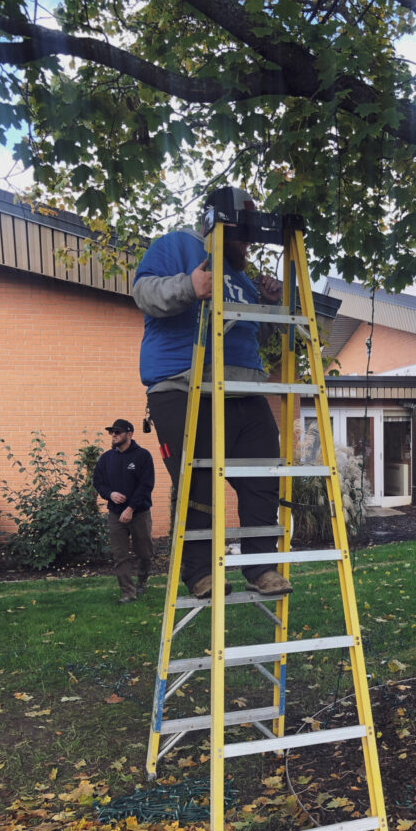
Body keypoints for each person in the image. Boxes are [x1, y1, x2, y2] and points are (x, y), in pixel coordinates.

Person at [133, 187, 292, 599]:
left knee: (261, 478)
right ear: (221, 219)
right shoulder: (177, 246)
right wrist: (190, 285)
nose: (249, 243)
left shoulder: (240, 276)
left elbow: (255, 334)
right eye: (244, 231)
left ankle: (261, 567)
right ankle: (201, 572)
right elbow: (143, 293)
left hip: (243, 388)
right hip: (183, 386)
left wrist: (270, 306)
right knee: (198, 483)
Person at [92, 419, 155, 604]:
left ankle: (142, 581)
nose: (113, 435)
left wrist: (130, 508)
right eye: (111, 432)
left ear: (129, 434)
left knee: (144, 552)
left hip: (139, 513)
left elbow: (146, 485)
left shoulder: (143, 456)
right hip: (115, 515)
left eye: (117, 432)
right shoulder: (106, 459)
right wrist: (109, 494)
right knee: (120, 555)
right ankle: (128, 593)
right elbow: (98, 482)